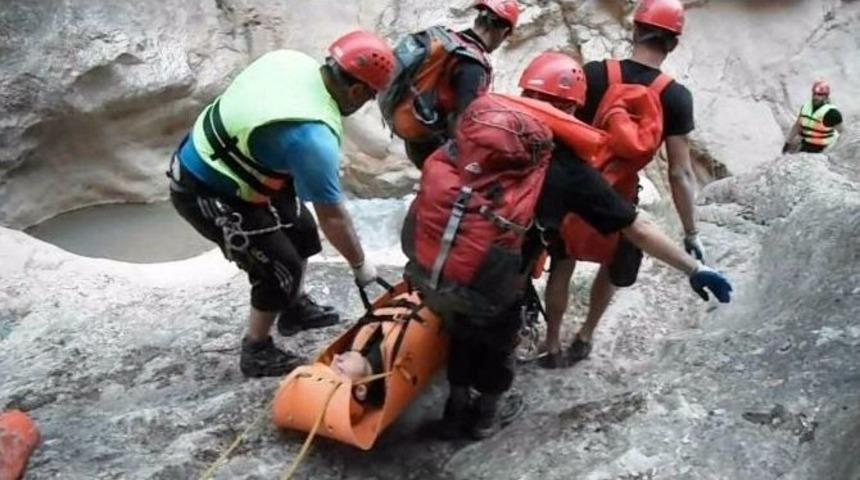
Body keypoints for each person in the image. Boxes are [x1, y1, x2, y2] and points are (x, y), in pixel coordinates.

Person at [167, 31, 395, 377]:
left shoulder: (293, 60)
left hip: (238, 162)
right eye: (368, 97)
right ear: (357, 90)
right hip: (207, 187)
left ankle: (292, 308)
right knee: (280, 269)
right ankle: (256, 349)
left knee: (303, 232)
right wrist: (360, 265)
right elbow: (333, 218)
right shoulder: (313, 138)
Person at [540, 0, 705, 368]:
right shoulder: (676, 97)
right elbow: (680, 173)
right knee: (612, 268)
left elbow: (561, 131)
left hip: (575, 190)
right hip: (622, 198)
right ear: (673, 44)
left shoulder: (596, 74)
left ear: (634, 31)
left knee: (562, 264)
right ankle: (585, 336)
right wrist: (691, 231)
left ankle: (551, 344)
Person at [392, 0, 520, 169]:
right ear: (503, 32)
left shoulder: (449, 41)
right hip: (434, 144)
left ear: (477, 19)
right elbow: (464, 120)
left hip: (417, 131)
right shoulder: (472, 65)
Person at [783, 80, 844, 154]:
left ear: (826, 96)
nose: (816, 97)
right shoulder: (806, 106)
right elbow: (797, 125)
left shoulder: (832, 113)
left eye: (819, 95)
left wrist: (836, 151)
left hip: (823, 149)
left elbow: (843, 134)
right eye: (814, 94)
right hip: (805, 145)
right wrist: (788, 142)